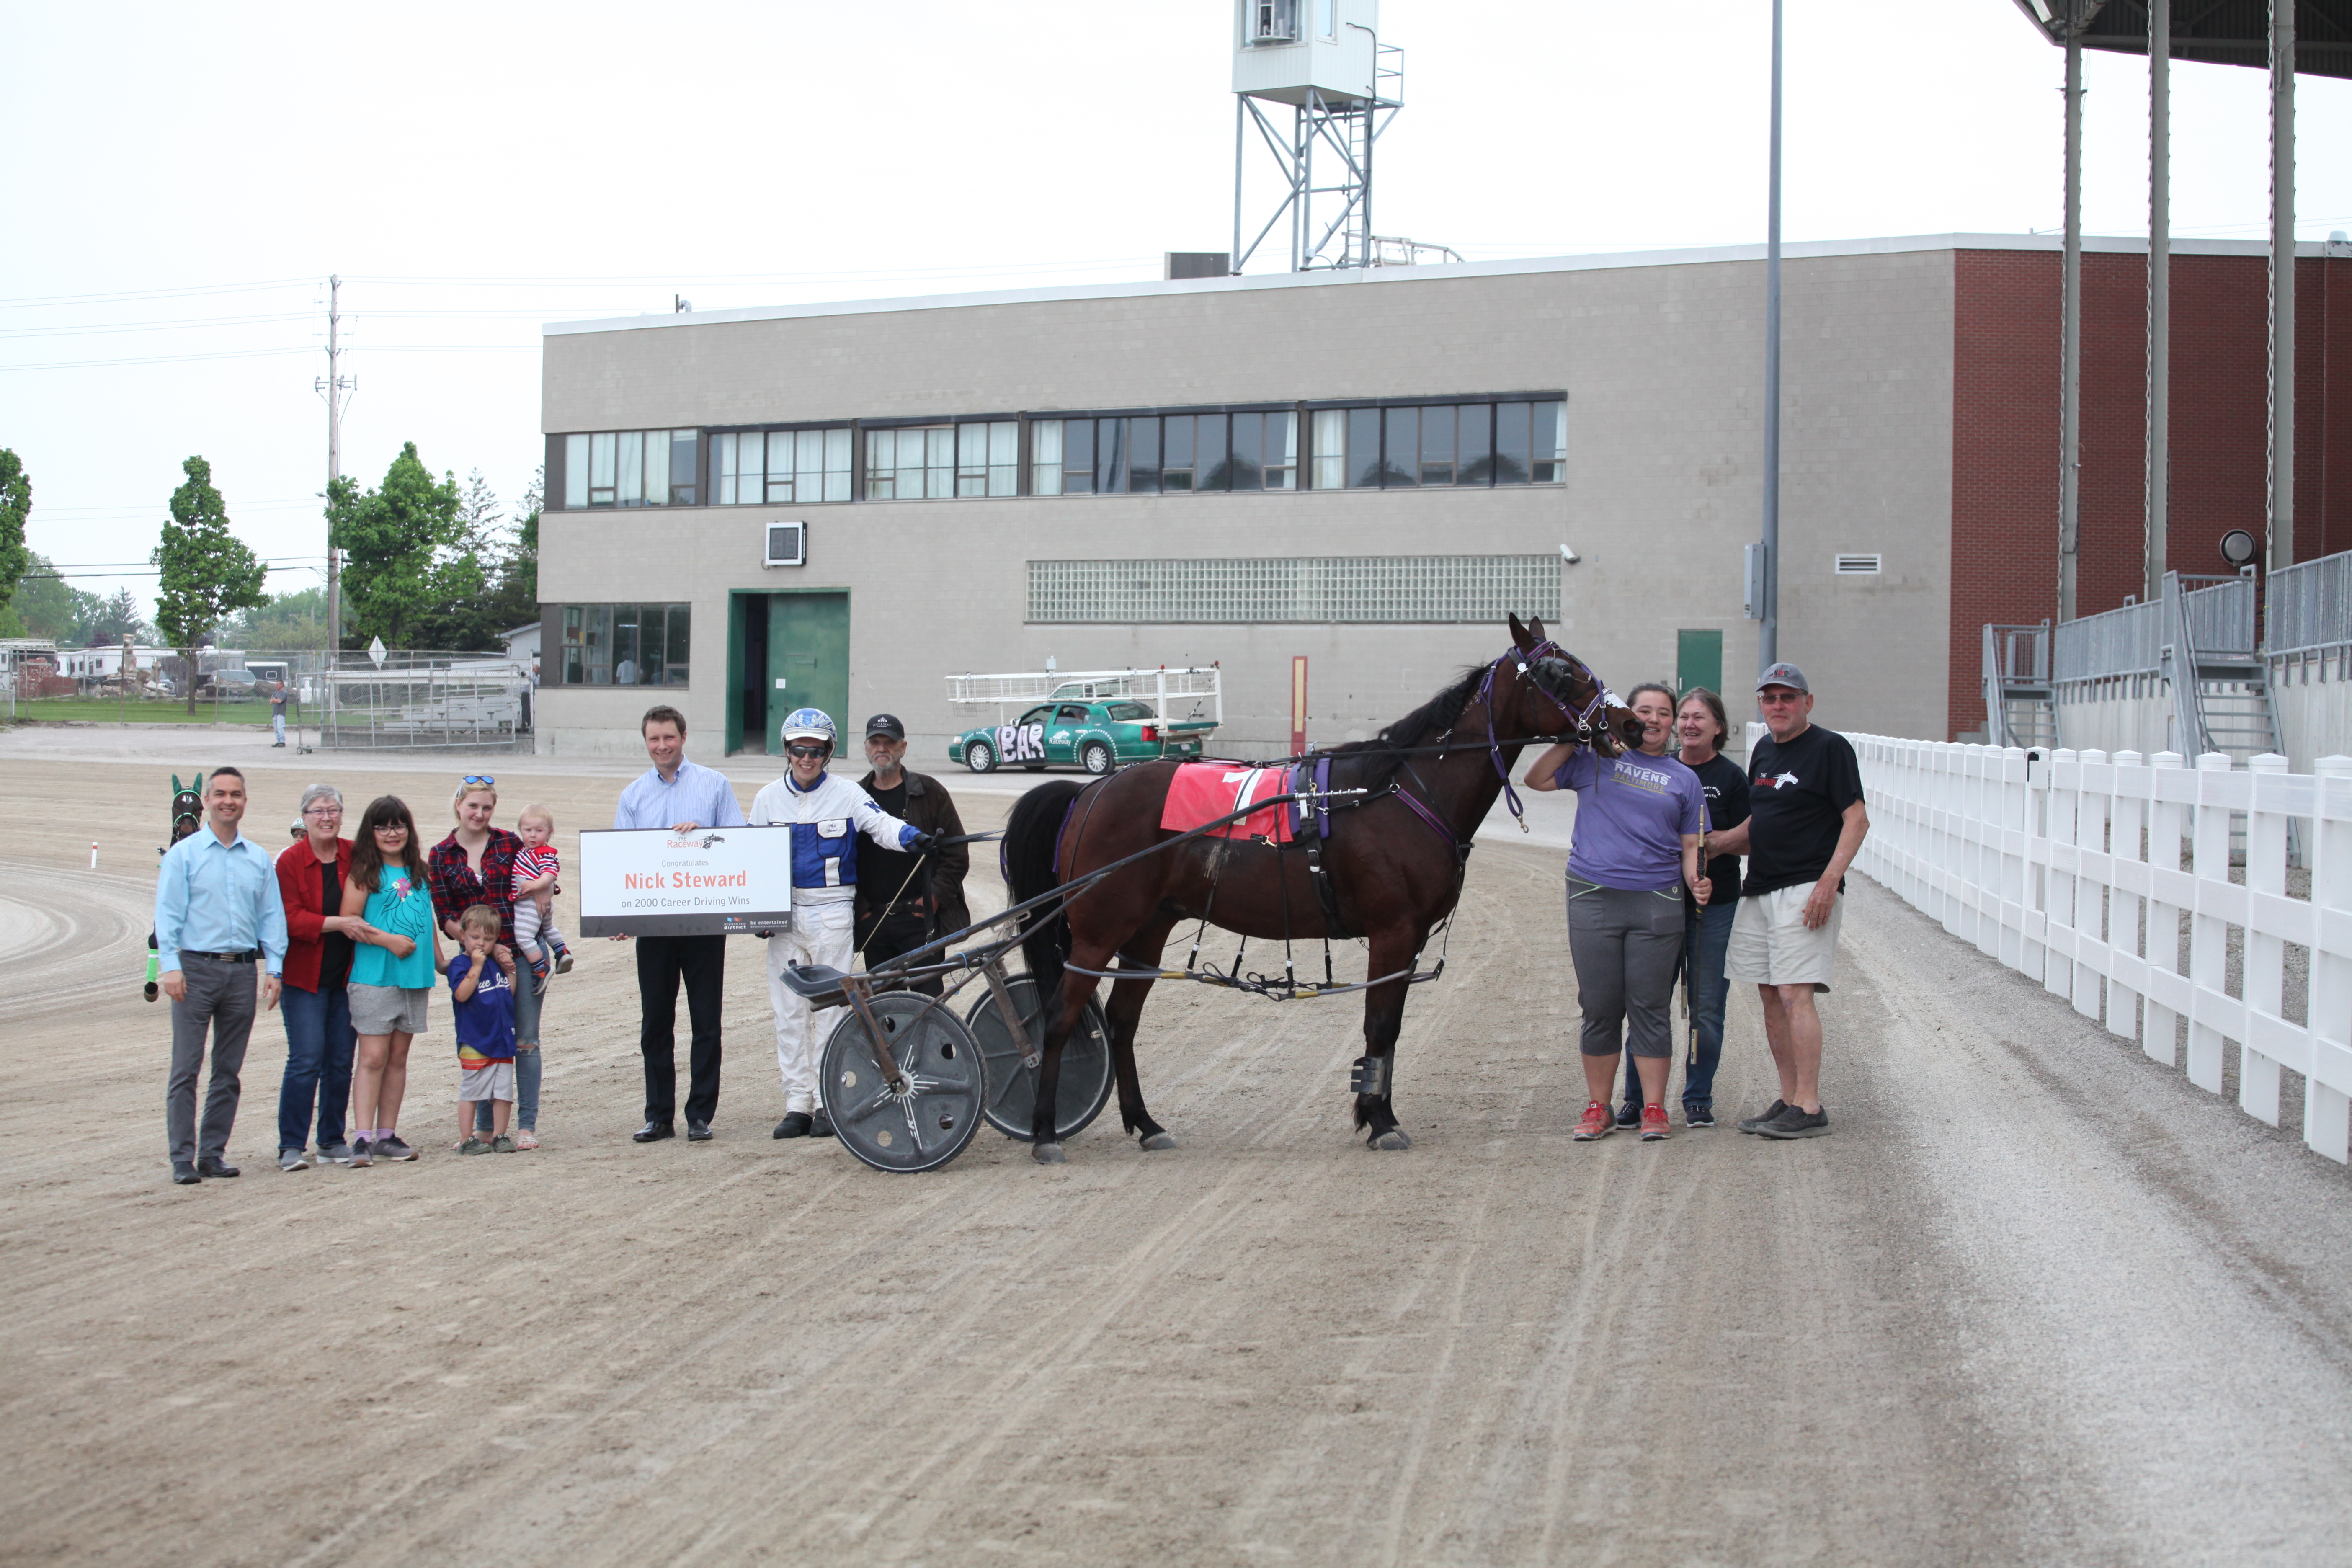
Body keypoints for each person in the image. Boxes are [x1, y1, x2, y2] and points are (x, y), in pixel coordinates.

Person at [1524, 682, 1710, 1143]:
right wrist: (1574, 738)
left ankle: (1653, 1108)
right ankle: (1599, 1106)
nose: (1653, 720)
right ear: (1627, 715)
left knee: (1649, 1006)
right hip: (1593, 895)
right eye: (1644, 711)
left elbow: (1691, 844)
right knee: (1600, 1005)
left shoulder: (1684, 779)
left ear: (1672, 723)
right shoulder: (1594, 759)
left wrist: (1696, 881)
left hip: (1657, 901)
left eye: (1663, 713)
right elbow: (1536, 779)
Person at [752, 708, 939, 1139]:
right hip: (784, 915)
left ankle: (827, 1102)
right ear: (787, 750)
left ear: (830, 752)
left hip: (832, 912)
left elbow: (881, 824)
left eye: (817, 751)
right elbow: (750, 857)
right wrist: (756, 912)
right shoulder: (766, 799)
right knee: (788, 1013)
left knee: (834, 1012)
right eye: (799, 749)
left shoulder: (847, 794)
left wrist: (912, 837)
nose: (807, 758)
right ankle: (796, 1104)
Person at [1711, 662, 1870, 1140]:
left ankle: (1810, 1104)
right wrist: (1716, 844)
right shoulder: (1763, 751)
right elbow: (1760, 823)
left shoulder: (1829, 748)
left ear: (1807, 703)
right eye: (1770, 697)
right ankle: (1789, 1099)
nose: (1778, 705)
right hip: (1760, 886)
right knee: (1768, 993)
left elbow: (1856, 819)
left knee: (1794, 994)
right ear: (1760, 704)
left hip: (1805, 888)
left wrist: (1829, 882)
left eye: (1788, 697)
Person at [612, 704, 746, 1143]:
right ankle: (658, 1116)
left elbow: (739, 844)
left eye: (669, 737)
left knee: (706, 1021)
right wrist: (618, 914)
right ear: (646, 741)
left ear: (684, 738)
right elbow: (621, 861)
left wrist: (704, 836)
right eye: (654, 739)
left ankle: (700, 1115)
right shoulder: (633, 796)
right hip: (654, 926)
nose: (662, 746)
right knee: (655, 1022)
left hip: (704, 923)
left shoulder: (714, 785)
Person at [1616, 688, 1749, 1129]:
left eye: (1700, 718)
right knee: (1648, 1002)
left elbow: (1752, 837)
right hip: (1659, 901)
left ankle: (1698, 1097)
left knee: (1706, 1007)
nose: (1691, 725)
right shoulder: (1660, 769)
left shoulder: (1731, 778)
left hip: (1715, 906)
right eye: (1686, 717)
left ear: (1718, 727)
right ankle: (1637, 1098)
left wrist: (1712, 844)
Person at [154, 766, 287, 1184]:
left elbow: (272, 917)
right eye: (221, 794)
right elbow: (168, 914)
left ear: (244, 801)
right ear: (208, 801)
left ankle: (212, 1153)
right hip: (194, 969)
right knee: (186, 1069)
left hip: (241, 972)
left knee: (228, 1071)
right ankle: (182, 1158)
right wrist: (170, 966)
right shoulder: (184, 856)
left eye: (236, 794)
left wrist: (275, 968)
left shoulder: (258, 859)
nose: (228, 801)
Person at [426, 776, 545, 1150]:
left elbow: (536, 875)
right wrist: (479, 945)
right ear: (459, 806)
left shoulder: (509, 842)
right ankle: (484, 1128)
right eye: (473, 806)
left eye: (487, 807)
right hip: (477, 958)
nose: (479, 813)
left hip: (519, 953)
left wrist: (546, 890)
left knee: (525, 1041)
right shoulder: (441, 854)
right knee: (484, 1037)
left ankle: (524, 1126)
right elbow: (444, 913)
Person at [346, 795, 441, 1167]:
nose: (392, 833)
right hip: (375, 978)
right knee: (372, 1058)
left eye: (399, 825)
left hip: (414, 979)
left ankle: (387, 1135)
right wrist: (389, 941)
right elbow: (350, 922)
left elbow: (427, 920)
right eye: (383, 827)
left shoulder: (420, 871)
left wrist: (440, 962)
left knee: (398, 1059)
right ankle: (362, 1138)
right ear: (371, 832)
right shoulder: (364, 873)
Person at [273, 783, 363, 1170]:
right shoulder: (290, 861)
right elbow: (290, 918)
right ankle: (291, 1145)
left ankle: (331, 1140)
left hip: (346, 978)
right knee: (306, 1059)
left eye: (333, 811)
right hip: (303, 979)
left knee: (341, 1061)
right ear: (305, 818)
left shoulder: (354, 855)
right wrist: (340, 923)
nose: (326, 818)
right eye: (318, 811)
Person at [854, 713, 971, 998]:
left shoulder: (930, 792)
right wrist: (862, 910)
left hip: (921, 921)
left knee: (928, 1003)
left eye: (890, 742)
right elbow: (841, 862)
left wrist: (934, 897)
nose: (882, 748)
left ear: (903, 748)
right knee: (885, 1007)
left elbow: (956, 853)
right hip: (874, 923)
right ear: (866, 748)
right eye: (875, 742)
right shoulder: (854, 798)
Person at [449, 904, 520, 1154]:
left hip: (502, 1038)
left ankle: (500, 1135)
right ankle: (466, 1139)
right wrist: (476, 967)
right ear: (463, 936)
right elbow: (462, 994)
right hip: (476, 1040)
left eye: (488, 939)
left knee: (503, 1092)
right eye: (475, 937)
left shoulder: (495, 963)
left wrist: (511, 971)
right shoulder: (460, 964)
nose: (481, 944)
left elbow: (508, 994)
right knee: (472, 1091)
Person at [510, 803, 573, 988]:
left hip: (530, 904)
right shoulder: (525, 851)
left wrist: (536, 885)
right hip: (539, 905)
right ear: (520, 830)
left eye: (539, 831)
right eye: (528, 830)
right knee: (547, 929)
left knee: (523, 937)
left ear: (550, 833)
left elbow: (550, 874)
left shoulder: (544, 853)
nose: (533, 835)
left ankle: (540, 968)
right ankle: (562, 952)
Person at [269, 684, 289, 748]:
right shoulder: (275, 693)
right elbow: (271, 702)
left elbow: (280, 701)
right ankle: (278, 742)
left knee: (280, 728)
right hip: (275, 713)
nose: (276, 686)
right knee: (276, 729)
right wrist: (276, 700)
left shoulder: (284, 693)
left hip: (281, 713)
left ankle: (282, 742)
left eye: (278, 685)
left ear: (281, 685)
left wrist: (275, 700)